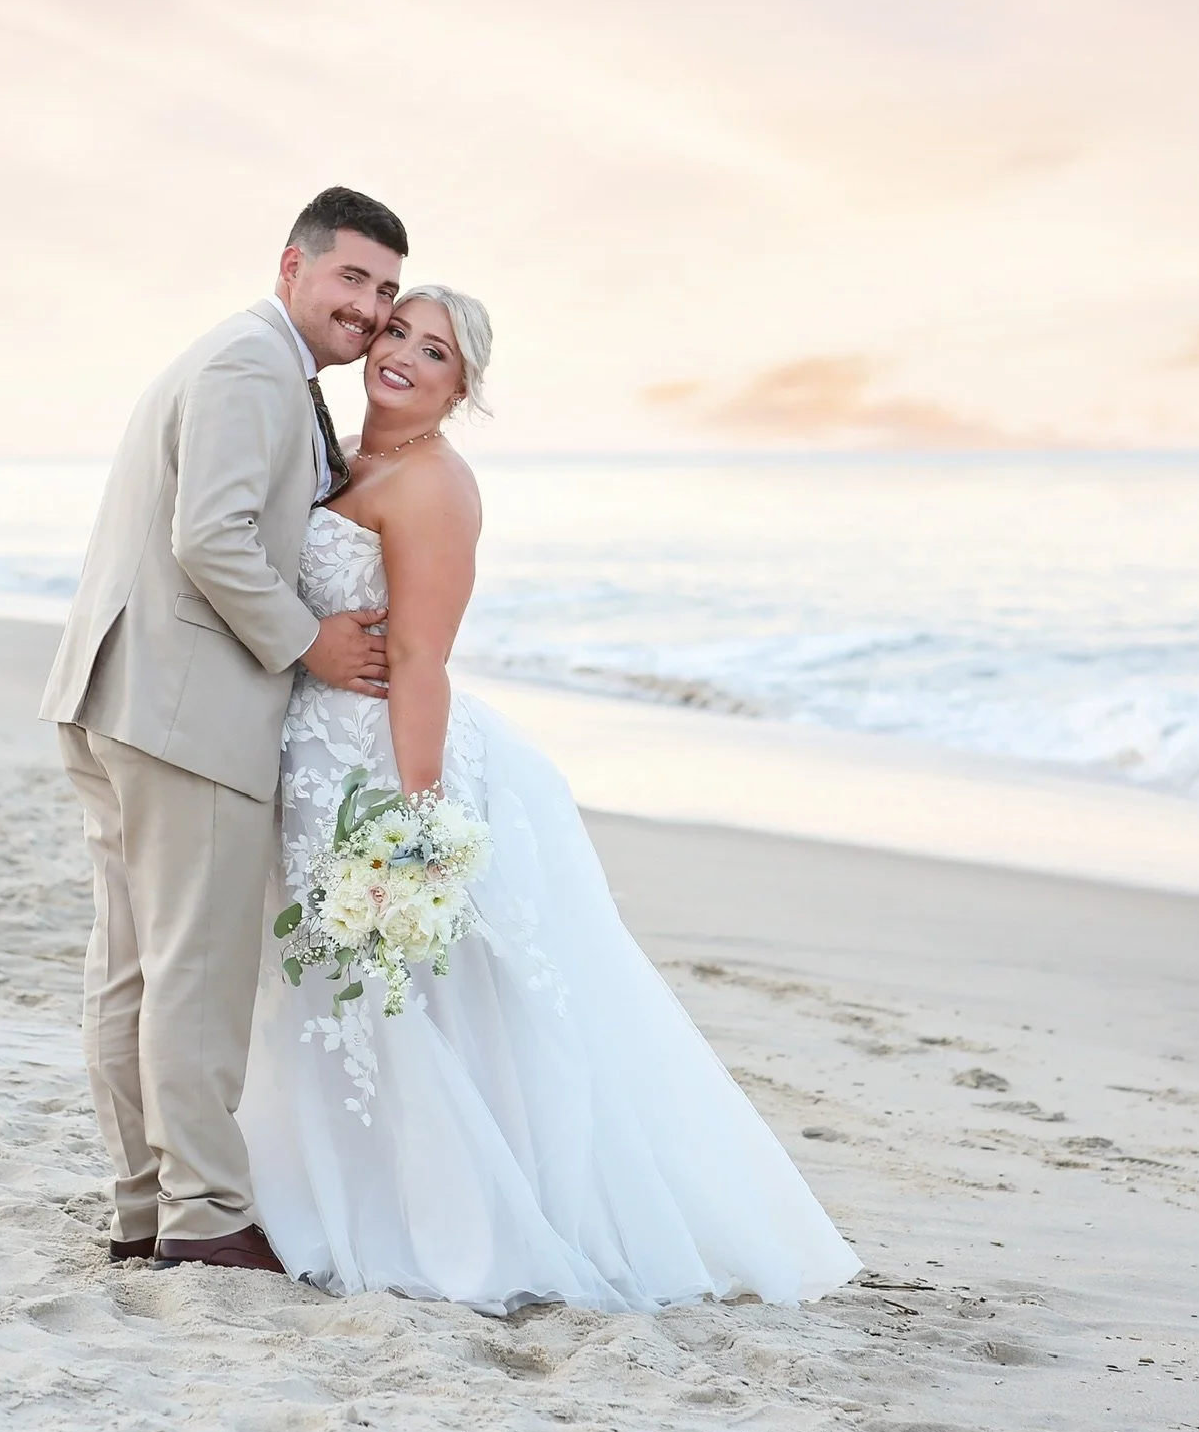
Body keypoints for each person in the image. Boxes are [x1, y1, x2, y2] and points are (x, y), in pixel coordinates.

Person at [237, 285, 864, 1312]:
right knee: (327, 996)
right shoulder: (342, 452)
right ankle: (325, 1191)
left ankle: (456, 1223)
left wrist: (416, 821)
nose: (402, 354)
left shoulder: (436, 484)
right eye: (396, 331)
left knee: (414, 1000)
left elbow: (428, 661)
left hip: (386, 766)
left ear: (462, 384)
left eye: (434, 352)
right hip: (313, 756)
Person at [40, 187, 407, 1272]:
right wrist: (311, 644)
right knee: (191, 972)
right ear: (292, 265)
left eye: (384, 290)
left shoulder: (244, 357)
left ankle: (145, 1206)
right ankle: (204, 1217)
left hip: (122, 692)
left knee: (136, 969)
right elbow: (214, 536)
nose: (368, 308)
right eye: (352, 278)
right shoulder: (254, 365)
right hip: (186, 706)